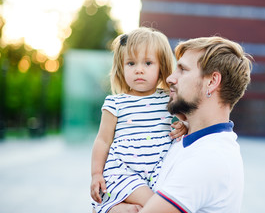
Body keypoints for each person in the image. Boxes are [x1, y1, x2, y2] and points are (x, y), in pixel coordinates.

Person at [111, 35, 253, 213]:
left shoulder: (209, 158)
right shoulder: (183, 140)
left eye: (182, 70)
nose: (170, 78)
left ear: (211, 82)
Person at [90, 27, 186, 213]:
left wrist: (183, 126)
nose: (139, 70)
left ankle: (115, 209)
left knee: (140, 209)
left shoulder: (169, 98)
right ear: (121, 66)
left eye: (148, 63)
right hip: (122, 171)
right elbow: (103, 140)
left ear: (161, 68)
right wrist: (96, 174)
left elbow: (188, 121)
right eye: (131, 63)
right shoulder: (115, 103)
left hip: (157, 172)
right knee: (158, 206)